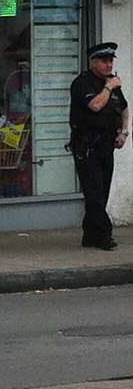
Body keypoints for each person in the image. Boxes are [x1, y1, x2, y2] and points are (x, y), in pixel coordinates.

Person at [69, 42, 129, 250]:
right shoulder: (82, 83)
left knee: (101, 193)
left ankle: (90, 235)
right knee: (94, 193)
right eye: (104, 61)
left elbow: (124, 108)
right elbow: (95, 106)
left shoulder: (112, 83)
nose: (108, 65)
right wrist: (108, 87)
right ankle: (104, 236)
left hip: (106, 146)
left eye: (111, 61)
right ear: (93, 62)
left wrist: (123, 132)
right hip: (86, 147)